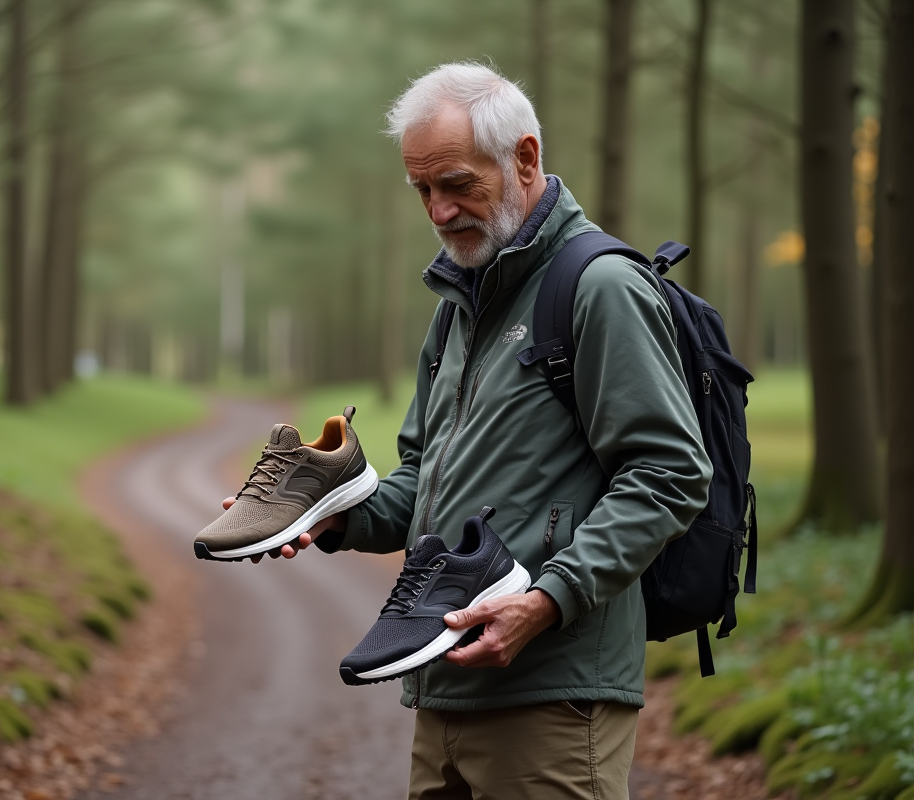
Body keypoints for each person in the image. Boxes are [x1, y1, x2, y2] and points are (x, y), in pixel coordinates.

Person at [226, 62, 712, 800]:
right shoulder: (460, 303)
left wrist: (546, 600)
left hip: (553, 691)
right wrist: (324, 515)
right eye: (422, 189)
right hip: (444, 683)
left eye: (456, 183)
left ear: (524, 158)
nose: (439, 211)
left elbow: (670, 474)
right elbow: (423, 483)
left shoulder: (600, 288)